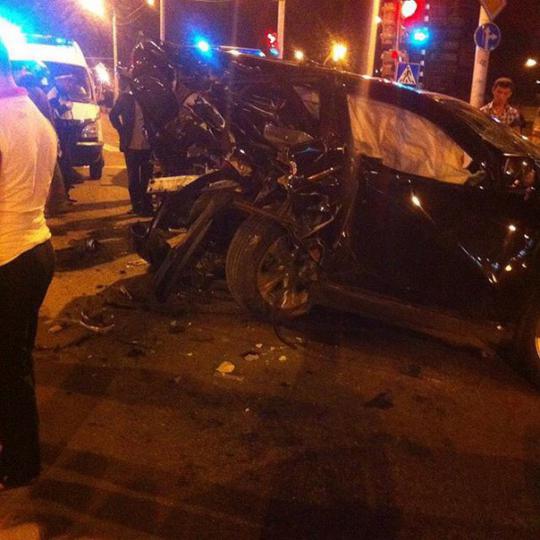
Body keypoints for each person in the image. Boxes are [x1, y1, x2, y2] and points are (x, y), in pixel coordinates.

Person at [0, 39, 57, 489]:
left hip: (9, 258)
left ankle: (20, 464)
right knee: (15, 360)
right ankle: (20, 454)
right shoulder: (39, 118)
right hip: (37, 248)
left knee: (8, 367)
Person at [14, 65, 69, 216]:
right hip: (45, 132)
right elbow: (49, 115)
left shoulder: (27, 95)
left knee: (35, 170)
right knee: (50, 166)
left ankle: (52, 202)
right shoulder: (40, 93)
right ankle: (59, 201)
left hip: (31, 134)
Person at [109, 77, 153, 216]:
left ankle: (147, 206)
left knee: (147, 177)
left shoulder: (148, 99)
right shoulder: (125, 99)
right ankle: (136, 206)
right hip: (131, 145)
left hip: (147, 145)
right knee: (133, 178)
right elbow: (113, 115)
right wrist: (121, 130)